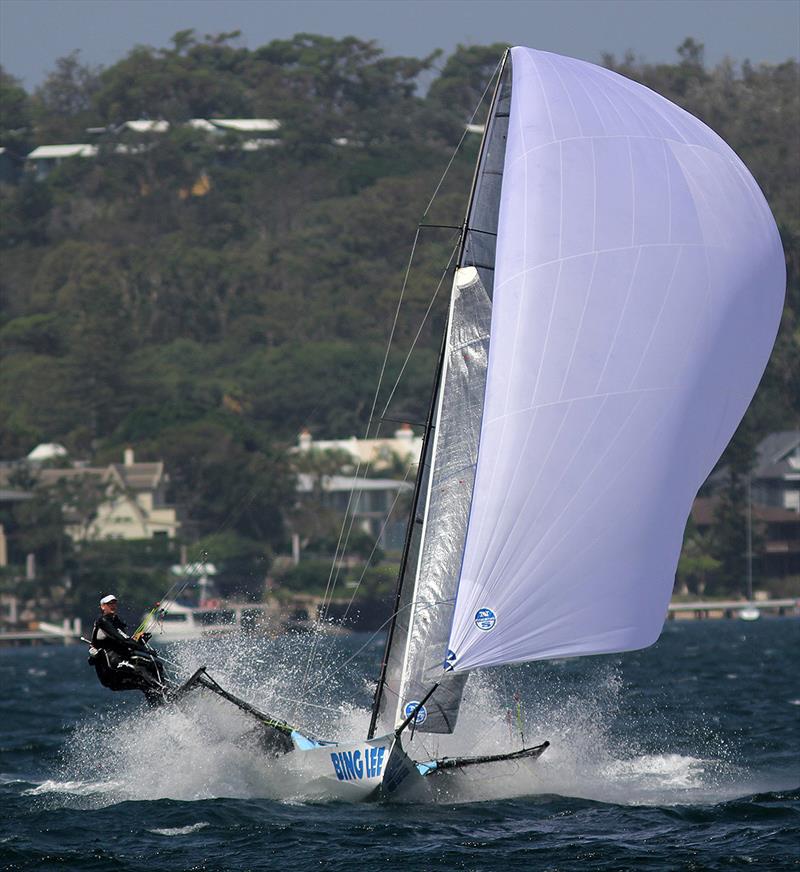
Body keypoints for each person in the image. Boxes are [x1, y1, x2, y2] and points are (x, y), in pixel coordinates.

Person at [88, 594, 165, 704]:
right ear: (102, 607)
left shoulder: (116, 622)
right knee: (141, 671)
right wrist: (144, 649)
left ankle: (160, 704)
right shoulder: (103, 622)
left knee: (155, 666)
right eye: (109, 604)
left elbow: (125, 642)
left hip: (122, 660)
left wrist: (139, 641)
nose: (113, 605)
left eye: (114, 603)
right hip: (111, 668)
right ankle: (166, 691)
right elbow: (124, 641)